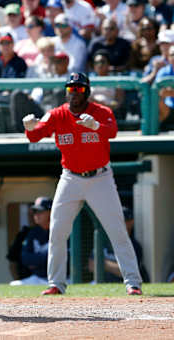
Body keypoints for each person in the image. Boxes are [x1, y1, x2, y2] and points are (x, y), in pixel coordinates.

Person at [22, 72, 143, 296]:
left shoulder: (101, 112)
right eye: (70, 89)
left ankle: (133, 282)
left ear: (86, 91)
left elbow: (113, 132)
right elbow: (35, 137)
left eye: (78, 89)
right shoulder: (57, 114)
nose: (74, 93)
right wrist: (29, 127)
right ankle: (56, 283)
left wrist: (96, 126)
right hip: (70, 177)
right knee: (57, 231)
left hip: (100, 178)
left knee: (117, 231)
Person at [88, 206, 149, 283]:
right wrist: (114, 267)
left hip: (122, 283)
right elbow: (91, 266)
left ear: (131, 222)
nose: (119, 224)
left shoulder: (134, 246)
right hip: (100, 283)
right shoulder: (104, 241)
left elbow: (127, 272)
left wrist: (102, 263)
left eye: (124, 221)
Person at [9, 197, 52, 286]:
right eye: (35, 211)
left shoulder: (60, 230)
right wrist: (45, 258)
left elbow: (65, 261)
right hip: (38, 277)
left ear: (50, 212)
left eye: (40, 211)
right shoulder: (32, 233)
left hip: (62, 278)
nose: (36, 215)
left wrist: (37, 261)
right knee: (14, 285)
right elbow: (25, 258)